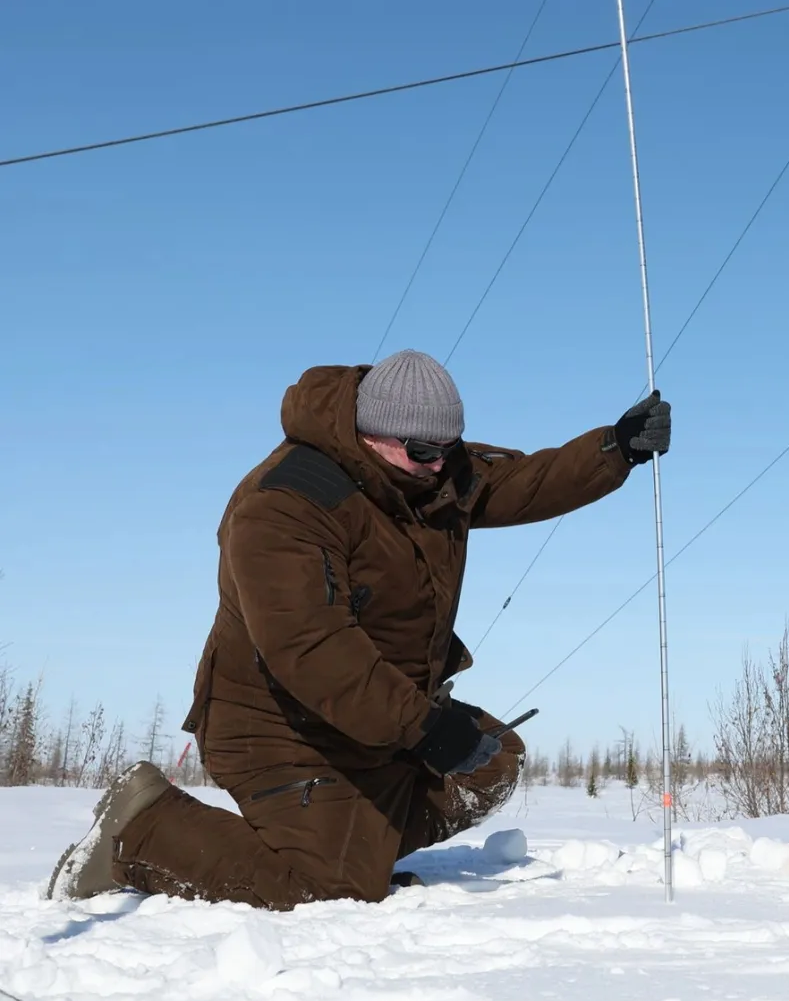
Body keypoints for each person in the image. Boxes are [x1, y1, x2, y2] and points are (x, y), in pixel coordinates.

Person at [44, 350, 672, 908]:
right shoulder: (285, 504)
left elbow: (517, 482)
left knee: (489, 762)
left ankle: (353, 844)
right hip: (274, 722)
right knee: (328, 889)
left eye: (447, 450)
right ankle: (141, 828)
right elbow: (312, 649)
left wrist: (614, 449)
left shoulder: (423, 470)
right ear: (372, 436)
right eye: (423, 454)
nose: (437, 467)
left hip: (373, 711)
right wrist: (423, 728)